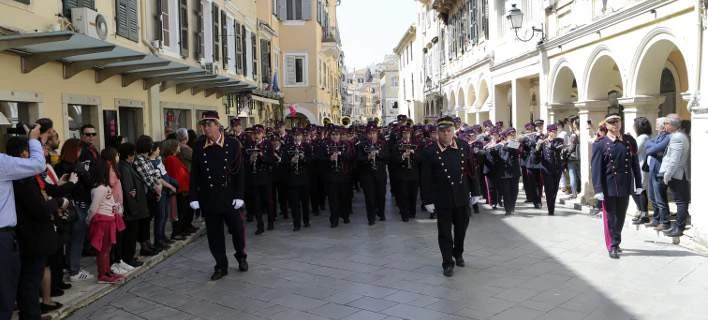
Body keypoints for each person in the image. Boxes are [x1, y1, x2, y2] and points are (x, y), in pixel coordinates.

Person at [8, 135, 69, 320]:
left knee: (31, 278)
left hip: (34, 235)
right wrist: (58, 203)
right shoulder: (22, 179)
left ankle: (32, 313)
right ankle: (31, 315)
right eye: (33, 151)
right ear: (23, 153)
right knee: (30, 280)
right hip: (31, 235)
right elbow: (39, 208)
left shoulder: (24, 175)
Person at [189, 111, 248, 281]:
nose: (205, 128)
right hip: (210, 197)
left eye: (209, 124)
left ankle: (241, 256)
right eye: (203, 125)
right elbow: (195, 174)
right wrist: (193, 196)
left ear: (217, 125)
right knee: (214, 235)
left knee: (237, 230)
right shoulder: (199, 146)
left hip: (229, 196)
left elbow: (240, 173)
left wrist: (239, 195)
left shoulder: (232, 143)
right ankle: (221, 265)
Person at [0, 124, 46, 320]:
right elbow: (37, 164)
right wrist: (33, 139)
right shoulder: (2, 163)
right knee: (4, 296)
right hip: (2, 237)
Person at [421, 116, 472, 277]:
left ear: (453, 131)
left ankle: (458, 253)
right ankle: (447, 262)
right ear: (437, 133)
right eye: (442, 132)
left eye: (448, 131)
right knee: (444, 232)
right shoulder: (430, 151)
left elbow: (471, 170)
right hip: (443, 198)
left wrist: (476, 191)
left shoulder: (463, 146)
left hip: (462, 195)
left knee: (461, 229)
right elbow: (425, 178)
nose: (445, 135)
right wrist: (427, 200)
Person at [591, 114, 642, 259]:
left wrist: (638, 183)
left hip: (625, 185)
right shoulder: (600, 144)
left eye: (618, 121)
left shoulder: (628, 141)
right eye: (612, 122)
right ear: (606, 125)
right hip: (608, 186)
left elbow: (634, 164)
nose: (615, 125)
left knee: (621, 217)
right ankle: (613, 245)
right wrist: (598, 189)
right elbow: (595, 168)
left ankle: (616, 242)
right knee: (611, 218)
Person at [87, 155, 125, 284]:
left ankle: (106, 271)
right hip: (103, 221)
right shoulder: (102, 188)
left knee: (105, 249)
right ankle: (103, 274)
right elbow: (94, 208)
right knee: (103, 249)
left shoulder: (101, 188)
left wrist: (88, 220)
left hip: (105, 221)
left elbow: (94, 208)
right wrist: (89, 220)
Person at [116, 143, 149, 269]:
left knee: (132, 235)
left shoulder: (127, 166)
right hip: (132, 211)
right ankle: (128, 258)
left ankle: (129, 256)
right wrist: (133, 210)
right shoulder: (125, 168)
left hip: (132, 209)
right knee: (130, 236)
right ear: (130, 155)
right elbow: (129, 190)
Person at [660, 114, 691, 237]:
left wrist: (667, 175)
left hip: (678, 174)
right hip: (679, 174)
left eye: (666, 123)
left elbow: (674, 160)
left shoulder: (677, 137)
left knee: (681, 201)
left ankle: (679, 227)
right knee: (681, 201)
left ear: (672, 125)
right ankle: (678, 226)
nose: (664, 125)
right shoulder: (677, 135)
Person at [244, 125, 276, 234]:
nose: (256, 136)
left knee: (268, 201)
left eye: (258, 133)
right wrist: (250, 159)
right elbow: (244, 162)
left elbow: (272, 160)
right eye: (254, 134)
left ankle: (271, 222)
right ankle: (260, 225)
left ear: (262, 134)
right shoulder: (250, 145)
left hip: (265, 177)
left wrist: (261, 156)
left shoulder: (268, 144)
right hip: (255, 177)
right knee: (256, 203)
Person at [320, 127, 353, 228]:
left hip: (343, 175)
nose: (335, 137)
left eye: (337, 135)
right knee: (333, 199)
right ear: (330, 136)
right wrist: (329, 158)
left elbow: (350, 157)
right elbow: (321, 158)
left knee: (344, 197)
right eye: (333, 135)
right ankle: (334, 219)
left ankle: (345, 215)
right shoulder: (326, 145)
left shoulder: (345, 145)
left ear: (340, 135)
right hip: (331, 176)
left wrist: (340, 154)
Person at [357, 125, 389, 225]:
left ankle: (381, 213)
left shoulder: (383, 144)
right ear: (367, 134)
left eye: (374, 133)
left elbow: (387, 156)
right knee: (370, 197)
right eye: (370, 133)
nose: (372, 135)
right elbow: (359, 159)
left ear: (377, 134)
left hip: (380, 174)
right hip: (367, 175)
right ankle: (371, 217)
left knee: (381, 196)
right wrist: (368, 157)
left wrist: (378, 154)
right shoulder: (362, 145)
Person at [644, 118, 671, 230]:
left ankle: (664, 221)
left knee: (660, 197)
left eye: (657, 124)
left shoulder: (668, 137)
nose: (655, 126)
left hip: (660, 170)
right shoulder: (659, 137)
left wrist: (653, 147)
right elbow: (647, 144)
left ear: (664, 126)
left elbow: (651, 150)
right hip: (652, 169)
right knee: (652, 196)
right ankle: (656, 219)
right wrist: (653, 147)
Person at [285, 129, 312, 231]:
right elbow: (283, 162)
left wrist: (303, 158)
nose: (297, 138)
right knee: (294, 203)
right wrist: (291, 161)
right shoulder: (288, 147)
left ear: (301, 136)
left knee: (305, 202)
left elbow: (310, 160)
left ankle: (306, 221)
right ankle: (296, 224)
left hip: (304, 178)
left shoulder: (306, 146)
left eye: (298, 135)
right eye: (295, 136)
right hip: (292, 179)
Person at [392, 126, 419, 221]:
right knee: (404, 195)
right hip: (402, 173)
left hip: (414, 173)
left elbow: (421, 159)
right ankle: (405, 214)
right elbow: (394, 159)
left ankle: (412, 212)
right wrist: (403, 156)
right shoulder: (397, 145)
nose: (406, 135)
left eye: (408, 133)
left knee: (413, 194)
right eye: (404, 133)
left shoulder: (416, 144)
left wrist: (413, 153)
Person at [537, 124, 565, 216]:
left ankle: (551, 205)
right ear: (549, 132)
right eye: (553, 131)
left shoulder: (559, 141)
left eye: (556, 131)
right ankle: (550, 209)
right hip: (546, 169)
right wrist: (537, 146)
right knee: (549, 189)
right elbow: (536, 156)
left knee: (555, 189)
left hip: (557, 169)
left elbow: (557, 149)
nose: (555, 132)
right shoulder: (542, 142)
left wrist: (549, 144)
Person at [630, 117, 652, 225]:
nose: (634, 127)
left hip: (640, 167)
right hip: (638, 166)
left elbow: (633, 150)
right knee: (635, 190)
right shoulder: (644, 137)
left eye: (635, 125)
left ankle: (644, 214)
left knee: (640, 190)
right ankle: (641, 210)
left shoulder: (643, 137)